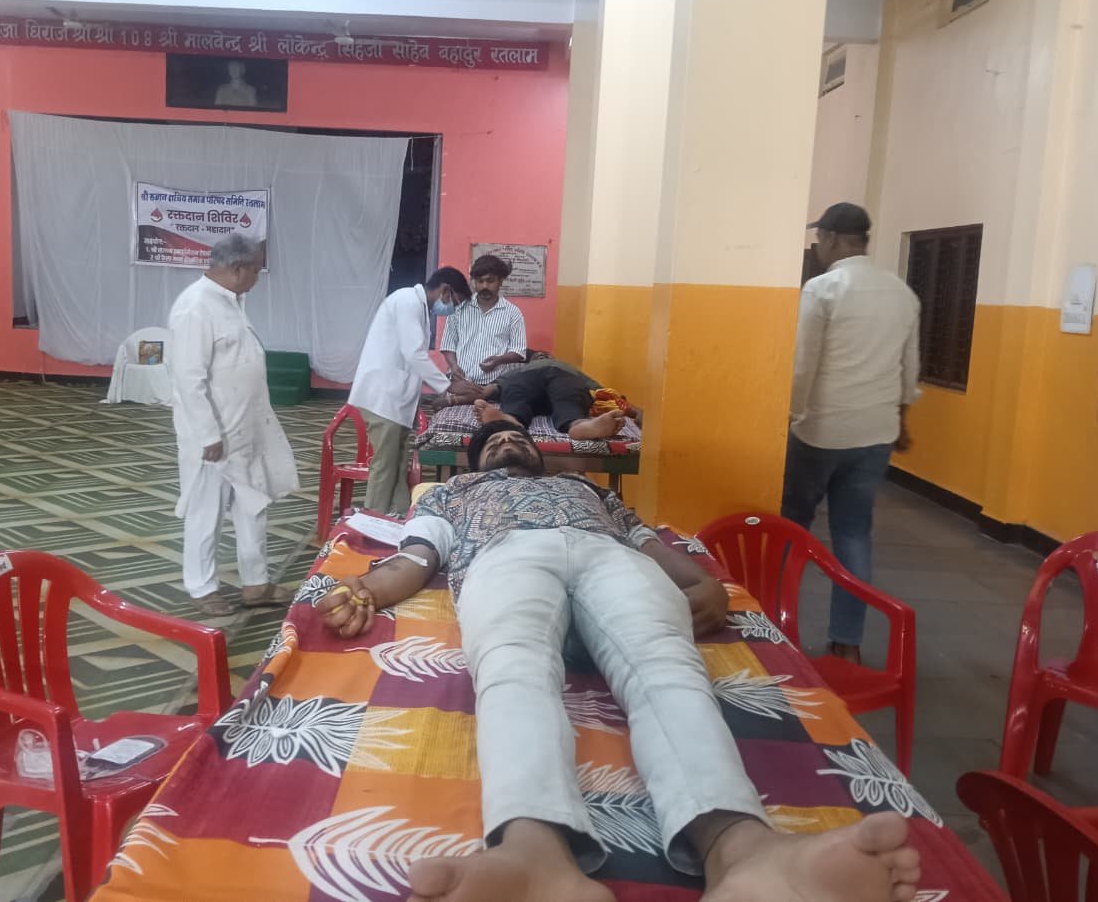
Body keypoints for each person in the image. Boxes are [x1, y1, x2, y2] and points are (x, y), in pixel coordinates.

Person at [317, 422, 920, 902]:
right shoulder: (452, 494)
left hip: (608, 557)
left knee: (667, 666)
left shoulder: (589, 490)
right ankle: (534, 855)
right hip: (503, 556)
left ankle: (743, 851)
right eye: (493, 443)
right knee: (511, 667)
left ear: (539, 454)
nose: (505, 444)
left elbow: (649, 544)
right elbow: (417, 559)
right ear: (476, 464)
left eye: (516, 438)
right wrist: (365, 592)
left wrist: (706, 584)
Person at [784, 202, 921, 665]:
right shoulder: (901, 293)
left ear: (831, 237)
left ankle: (775, 628)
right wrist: (901, 420)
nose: (818, 247)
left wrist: (791, 415)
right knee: (854, 534)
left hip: (820, 431)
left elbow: (803, 364)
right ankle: (847, 643)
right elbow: (909, 369)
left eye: (819, 239)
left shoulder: (823, 289)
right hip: (875, 432)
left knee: (791, 529)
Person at [168, 233, 298, 616]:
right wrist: (208, 434)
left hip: (245, 430)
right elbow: (188, 379)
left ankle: (256, 584)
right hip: (213, 438)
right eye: (256, 270)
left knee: (253, 506)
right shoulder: (195, 306)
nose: (258, 277)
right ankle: (201, 586)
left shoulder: (233, 302)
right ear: (237, 268)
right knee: (205, 511)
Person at [348, 268, 480, 517]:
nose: (452, 309)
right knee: (385, 466)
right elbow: (414, 354)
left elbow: (411, 355)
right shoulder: (407, 300)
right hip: (382, 398)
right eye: (454, 302)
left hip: (394, 400)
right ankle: (372, 522)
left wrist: (446, 384)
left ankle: (399, 515)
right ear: (445, 290)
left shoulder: (418, 307)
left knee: (398, 465)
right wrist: (447, 386)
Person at [445, 353, 636, 441]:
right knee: (568, 401)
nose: (542, 356)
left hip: (527, 379)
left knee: (517, 395)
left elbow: (485, 392)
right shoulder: (566, 366)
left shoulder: (519, 370)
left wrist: (452, 400)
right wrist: (634, 411)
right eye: (540, 355)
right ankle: (578, 424)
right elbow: (603, 393)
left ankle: (510, 419)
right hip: (563, 377)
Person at [440, 254, 527, 385]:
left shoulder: (513, 313)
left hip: (494, 385)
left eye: (490, 281)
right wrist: (454, 367)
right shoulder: (459, 309)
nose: (485, 286)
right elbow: (448, 345)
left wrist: (499, 360)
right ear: (475, 282)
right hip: (461, 382)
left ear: (500, 281)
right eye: (480, 281)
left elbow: (518, 351)